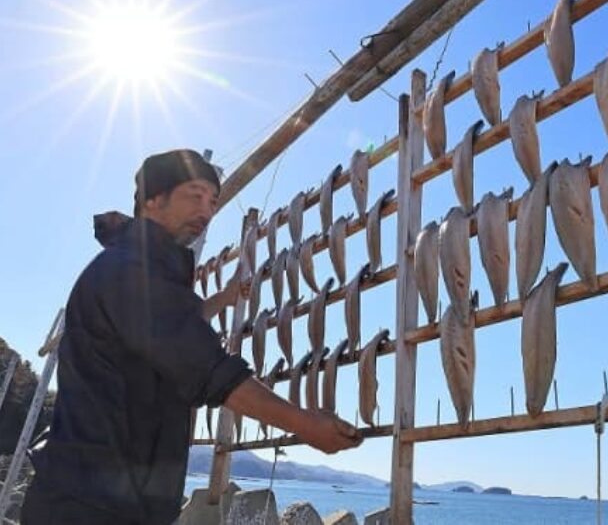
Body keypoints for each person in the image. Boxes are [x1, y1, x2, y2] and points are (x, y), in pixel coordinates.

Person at [20, 149, 362, 525]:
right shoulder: (131, 269)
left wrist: (223, 299)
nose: (206, 210)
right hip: (90, 507)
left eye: (213, 201)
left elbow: (164, 331)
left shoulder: (135, 268)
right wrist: (306, 425)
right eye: (194, 195)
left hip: (103, 499)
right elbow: (204, 367)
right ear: (152, 199)